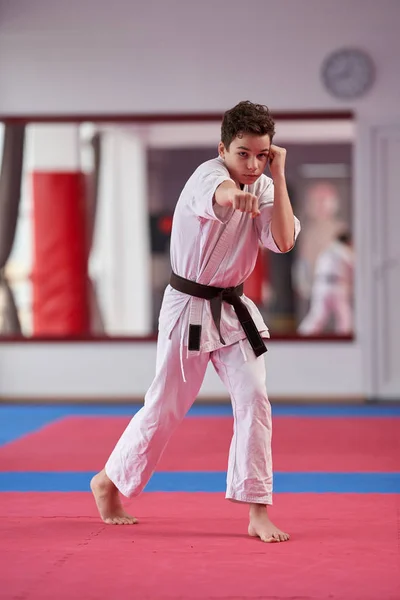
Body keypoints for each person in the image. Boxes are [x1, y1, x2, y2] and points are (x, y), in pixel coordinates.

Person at [91, 101, 300, 543]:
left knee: (255, 398)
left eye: (262, 155)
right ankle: (108, 481)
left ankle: (257, 509)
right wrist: (234, 193)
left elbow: (282, 240)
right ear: (223, 148)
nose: (252, 164)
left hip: (234, 311)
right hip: (188, 306)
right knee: (166, 406)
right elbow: (219, 193)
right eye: (243, 153)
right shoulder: (208, 176)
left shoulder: (264, 186)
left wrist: (277, 178)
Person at [298, 232, 354, 335]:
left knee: (318, 315)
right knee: (344, 316)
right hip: (336, 285)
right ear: (348, 241)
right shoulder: (342, 249)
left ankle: (303, 336)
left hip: (321, 285)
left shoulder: (326, 250)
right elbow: (353, 265)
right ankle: (344, 340)